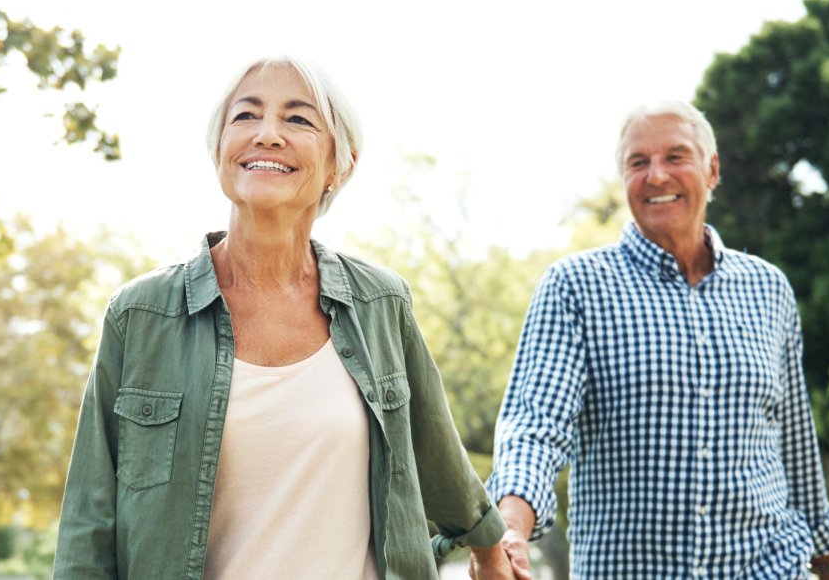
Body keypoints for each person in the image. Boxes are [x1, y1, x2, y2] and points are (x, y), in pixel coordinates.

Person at [54, 57, 513, 580]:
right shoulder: (140, 316)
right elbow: (88, 524)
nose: (267, 134)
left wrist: (488, 546)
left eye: (298, 119)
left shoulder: (382, 304)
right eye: (246, 116)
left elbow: (434, 451)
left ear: (341, 163)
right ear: (219, 149)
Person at [478, 101, 829, 580]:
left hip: (768, 567)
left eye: (676, 156)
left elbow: (795, 442)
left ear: (712, 170)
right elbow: (535, 425)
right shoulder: (577, 286)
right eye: (638, 162)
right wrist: (509, 527)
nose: (656, 176)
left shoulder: (768, 287)